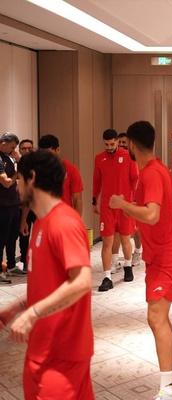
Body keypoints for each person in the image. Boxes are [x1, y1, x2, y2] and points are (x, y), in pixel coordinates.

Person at [0, 150, 94, 400]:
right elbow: (51, 283)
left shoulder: (64, 222)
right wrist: (18, 306)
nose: (16, 186)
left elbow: (82, 280)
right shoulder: (42, 222)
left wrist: (33, 313)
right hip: (42, 348)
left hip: (63, 356)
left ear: (31, 178)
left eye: (19, 179)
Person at [108, 121, 172, 400]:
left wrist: (123, 205)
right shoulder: (159, 170)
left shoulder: (152, 173)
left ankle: (168, 389)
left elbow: (152, 215)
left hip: (166, 257)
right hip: (160, 256)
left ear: (131, 144)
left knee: (156, 317)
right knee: (160, 318)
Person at [93, 128, 139, 291]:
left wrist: (134, 201)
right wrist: (94, 201)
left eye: (112, 144)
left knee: (125, 238)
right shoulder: (99, 158)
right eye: (106, 144)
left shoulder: (128, 156)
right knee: (107, 241)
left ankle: (127, 266)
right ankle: (107, 277)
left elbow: (135, 179)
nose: (109, 147)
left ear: (117, 142)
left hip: (124, 205)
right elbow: (96, 181)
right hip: (107, 206)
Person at [112, 134, 143, 266]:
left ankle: (138, 251)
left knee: (135, 228)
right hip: (119, 199)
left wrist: (135, 198)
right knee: (117, 229)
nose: (122, 145)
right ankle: (116, 259)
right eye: (120, 142)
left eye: (124, 142)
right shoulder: (115, 158)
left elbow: (137, 179)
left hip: (133, 198)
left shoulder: (134, 158)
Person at [38, 134, 84, 216]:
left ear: (57, 150)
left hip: (64, 216)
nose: (46, 157)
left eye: (49, 154)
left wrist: (77, 220)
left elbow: (77, 199)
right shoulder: (38, 170)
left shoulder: (70, 169)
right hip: (44, 216)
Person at [0, 133, 21, 282]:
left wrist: (18, 160)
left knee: (12, 236)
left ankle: (11, 265)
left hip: (13, 203)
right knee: (1, 238)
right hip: (3, 205)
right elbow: (6, 182)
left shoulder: (8, 157)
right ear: (3, 143)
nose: (13, 150)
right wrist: (17, 174)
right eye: (12, 147)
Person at [17, 139, 35, 274]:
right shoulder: (19, 164)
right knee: (24, 234)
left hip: (38, 206)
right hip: (24, 206)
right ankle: (24, 261)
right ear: (19, 150)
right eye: (24, 148)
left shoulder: (39, 165)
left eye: (30, 148)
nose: (27, 151)